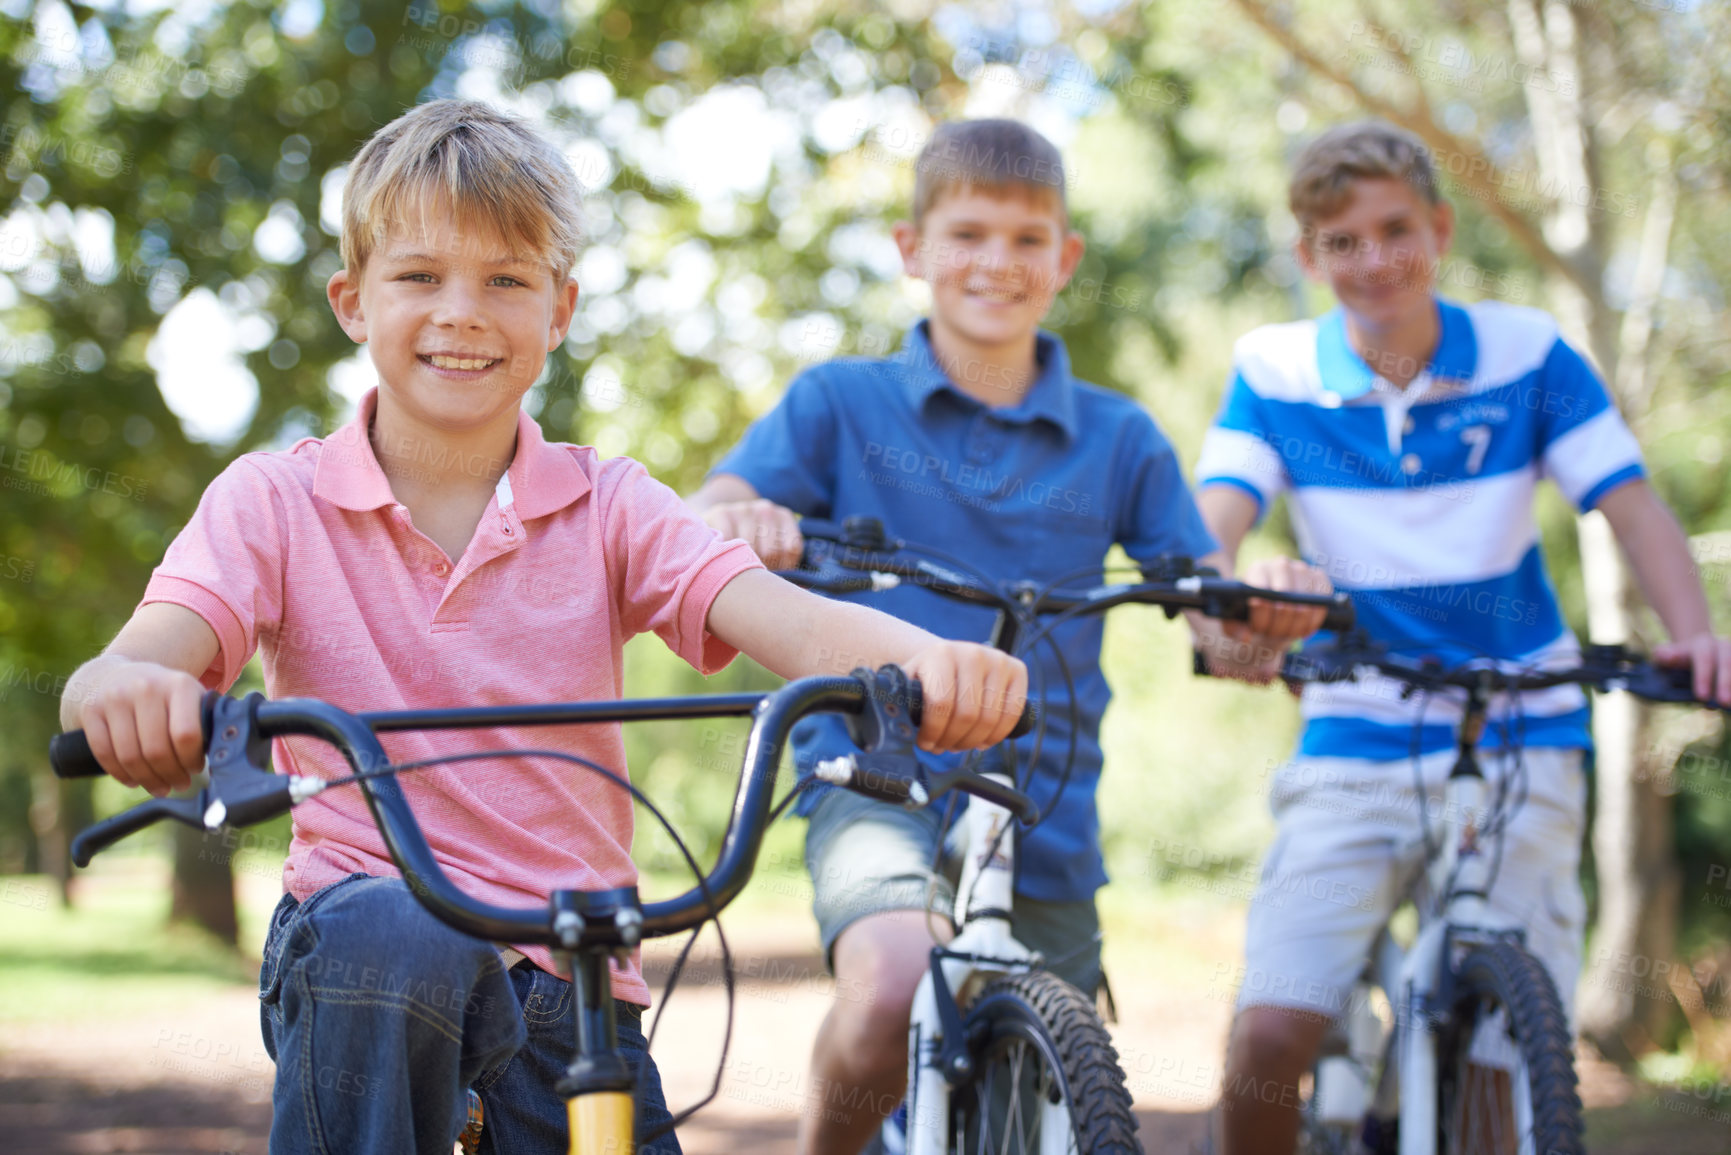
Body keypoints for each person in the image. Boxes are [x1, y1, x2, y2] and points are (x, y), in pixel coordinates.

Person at [56, 99, 1032, 1155]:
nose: (463, 313)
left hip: (574, 979)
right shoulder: (271, 504)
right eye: (420, 277)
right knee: (394, 932)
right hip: (370, 962)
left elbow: (784, 621)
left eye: (507, 281)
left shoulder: (610, 505)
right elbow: (144, 653)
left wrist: (930, 664)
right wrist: (125, 689)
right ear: (352, 301)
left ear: (559, 310)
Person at [688, 118, 1330, 1155]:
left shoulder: (1119, 437)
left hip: (1045, 794)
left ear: (1065, 258)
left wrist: (1264, 604)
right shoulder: (838, 404)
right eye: (968, 233)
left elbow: (1211, 615)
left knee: (1052, 1095)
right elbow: (715, 502)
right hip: (875, 765)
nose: (998, 261)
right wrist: (737, 516)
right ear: (912, 250)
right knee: (891, 985)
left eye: (1028, 239)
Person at [1193, 119, 1731, 1154]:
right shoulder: (1273, 372)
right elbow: (1205, 531)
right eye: (1340, 242)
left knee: (1499, 1063)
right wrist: (1234, 606)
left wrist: (1697, 635)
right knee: (1272, 1031)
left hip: (1522, 722)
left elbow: (1628, 505)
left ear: (1439, 228)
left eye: (1396, 229)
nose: (1374, 259)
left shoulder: (1528, 354)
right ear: (1309, 257)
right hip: (1355, 725)